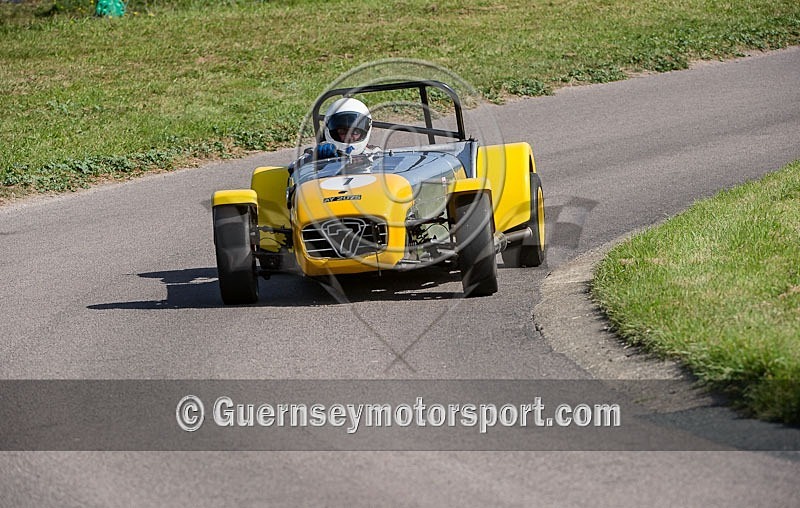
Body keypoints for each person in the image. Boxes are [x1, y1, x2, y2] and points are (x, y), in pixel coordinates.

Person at [289, 98, 379, 174]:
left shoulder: (374, 153)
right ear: (332, 131)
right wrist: (316, 159)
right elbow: (292, 169)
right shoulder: (314, 153)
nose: (348, 137)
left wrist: (364, 162)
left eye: (355, 132)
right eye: (342, 131)